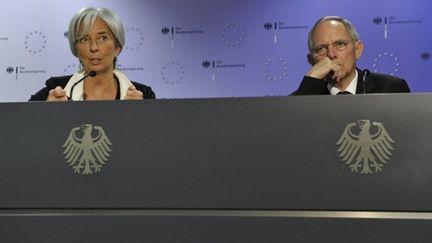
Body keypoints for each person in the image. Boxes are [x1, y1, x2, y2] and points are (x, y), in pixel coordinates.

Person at [29, 7, 155, 101]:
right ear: (76, 49)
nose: (93, 47)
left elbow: (159, 135)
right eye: (84, 39)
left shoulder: (143, 95)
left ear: (117, 47)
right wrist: (45, 113)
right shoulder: (56, 91)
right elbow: (20, 127)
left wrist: (140, 114)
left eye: (103, 38)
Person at [291, 16, 410, 95]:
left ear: (357, 50)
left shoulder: (391, 89)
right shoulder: (303, 96)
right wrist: (311, 77)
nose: (331, 55)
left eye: (340, 44)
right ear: (311, 60)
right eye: (321, 49)